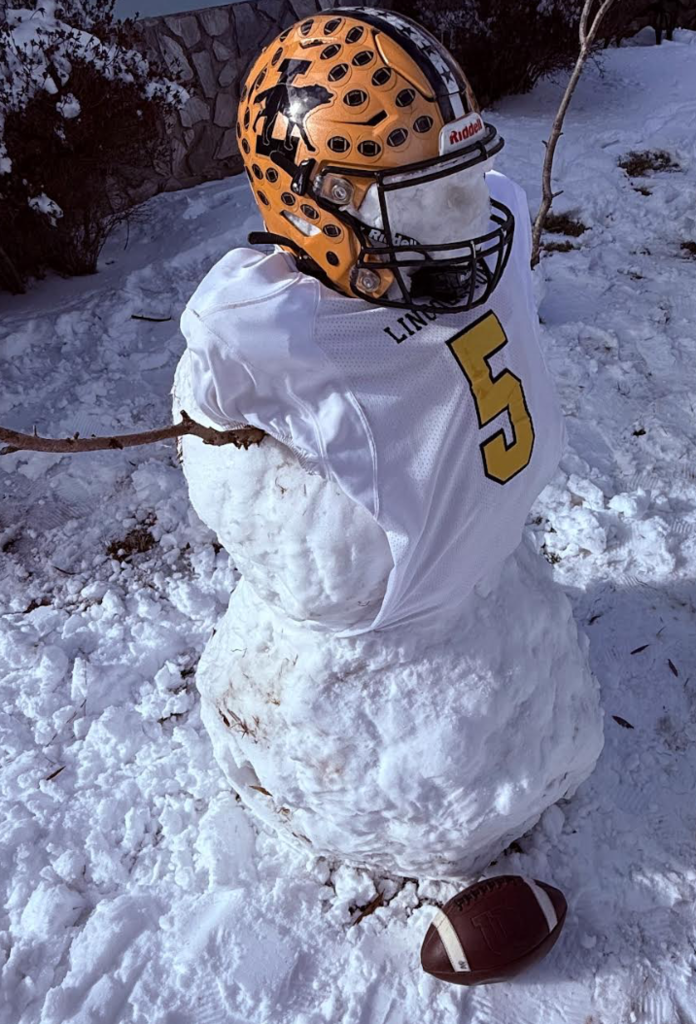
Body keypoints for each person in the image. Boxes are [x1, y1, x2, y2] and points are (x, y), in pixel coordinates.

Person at [179, 5, 565, 638]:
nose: (472, 219)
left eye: (464, 179)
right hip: (446, 614)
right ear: (314, 208)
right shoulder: (260, 328)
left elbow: (208, 398)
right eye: (420, 198)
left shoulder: (256, 325)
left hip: (424, 617)